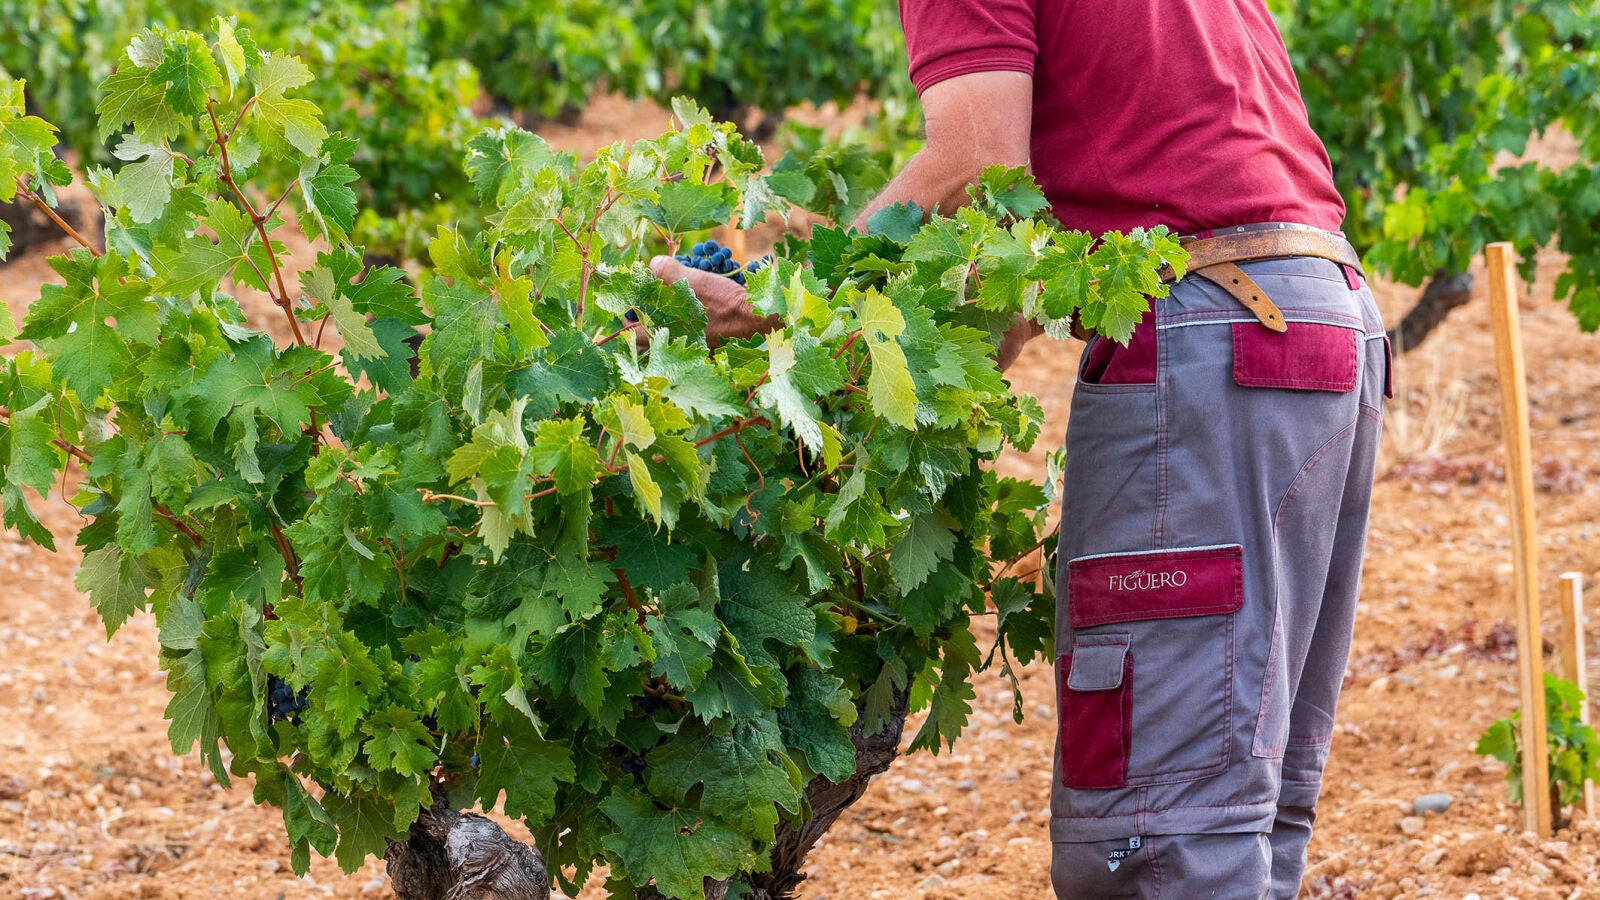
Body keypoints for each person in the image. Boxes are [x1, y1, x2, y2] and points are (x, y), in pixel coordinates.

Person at [652, 1, 1390, 896]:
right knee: (1235, 810)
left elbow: (976, 164)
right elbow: (1059, 204)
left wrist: (776, 306)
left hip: (1218, 336)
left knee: (1155, 841)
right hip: (1322, 317)